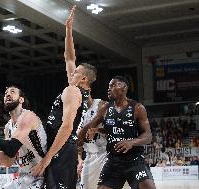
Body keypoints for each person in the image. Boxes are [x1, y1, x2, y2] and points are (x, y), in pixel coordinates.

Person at [32, 6, 97, 189]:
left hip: (61, 147)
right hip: (66, 148)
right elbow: (69, 58)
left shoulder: (72, 91)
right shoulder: (80, 91)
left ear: (83, 78)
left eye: (75, 72)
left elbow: (67, 126)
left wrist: (46, 158)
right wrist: (68, 30)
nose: (71, 72)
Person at [78, 76, 156, 189]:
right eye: (109, 86)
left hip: (134, 160)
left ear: (123, 88)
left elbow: (148, 136)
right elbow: (89, 127)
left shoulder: (137, 108)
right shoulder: (105, 108)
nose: (109, 89)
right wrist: (86, 134)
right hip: (113, 161)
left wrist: (131, 142)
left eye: (113, 85)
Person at [76, 92, 108, 189]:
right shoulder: (77, 113)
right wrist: (79, 159)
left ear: (89, 90)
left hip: (105, 153)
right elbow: (78, 141)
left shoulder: (101, 104)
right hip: (89, 156)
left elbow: (113, 128)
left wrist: (97, 130)